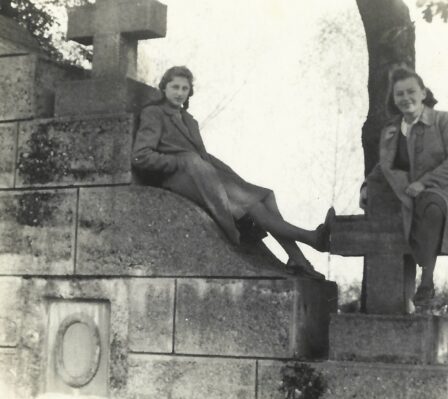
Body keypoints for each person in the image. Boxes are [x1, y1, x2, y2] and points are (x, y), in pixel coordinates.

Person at [132, 66, 333, 279]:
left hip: (203, 174)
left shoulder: (190, 120)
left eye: (184, 88)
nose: (179, 92)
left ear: (190, 92)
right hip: (181, 179)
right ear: (164, 88)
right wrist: (180, 162)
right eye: (174, 87)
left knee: (263, 197)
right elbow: (141, 156)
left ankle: (301, 258)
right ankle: (311, 242)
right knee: (252, 205)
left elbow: (201, 155)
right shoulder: (153, 114)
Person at [360, 67, 448, 342]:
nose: (406, 97)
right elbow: (383, 167)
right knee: (427, 208)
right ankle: (424, 285)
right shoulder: (390, 132)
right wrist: (366, 186)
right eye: (400, 94)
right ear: (394, 98)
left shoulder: (444, 120)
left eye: (411, 91)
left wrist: (424, 182)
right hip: (418, 196)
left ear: (423, 93)